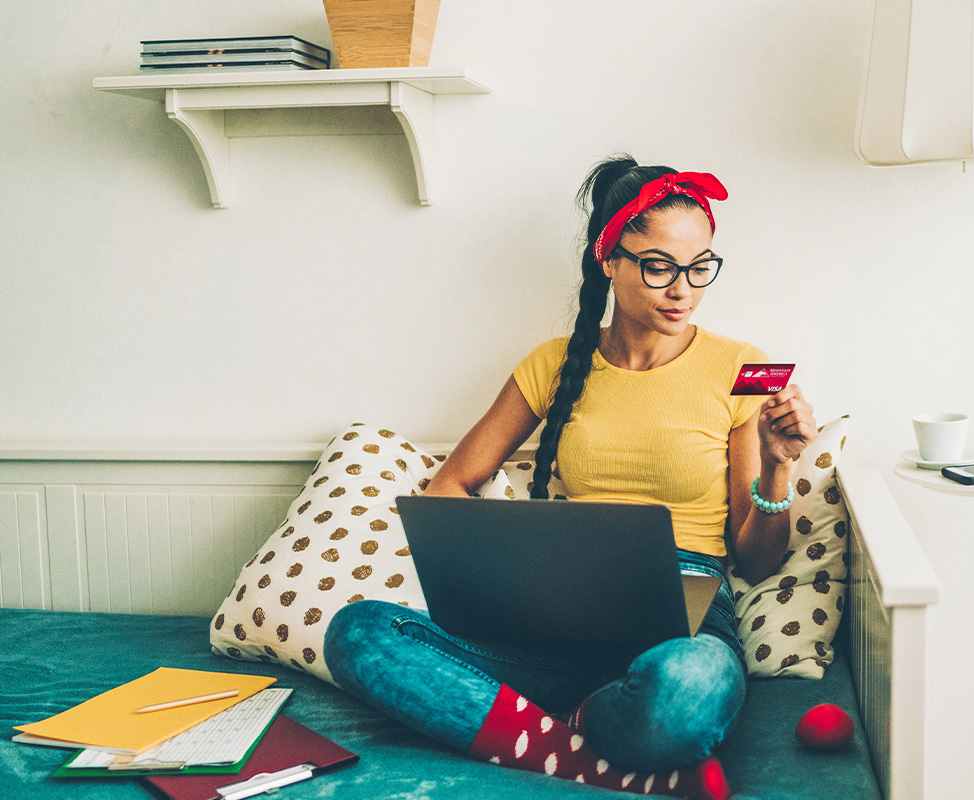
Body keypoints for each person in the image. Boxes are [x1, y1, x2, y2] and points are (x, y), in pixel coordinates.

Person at [323, 156, 817, 800]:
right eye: (659, 265)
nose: (683, 290)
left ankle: (556, 725)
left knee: (689, 688)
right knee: (359, 632)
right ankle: (587, 758)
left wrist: (779, 465)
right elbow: (449, 486)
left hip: (684, 614)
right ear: (607, 259)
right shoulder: (555, 364)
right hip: (554, 617)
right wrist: (504, 574)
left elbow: (755, 559)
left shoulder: (742, 366)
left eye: (701, 267)